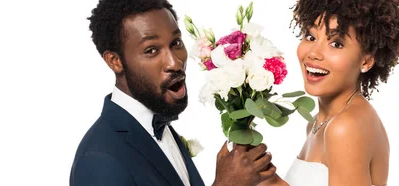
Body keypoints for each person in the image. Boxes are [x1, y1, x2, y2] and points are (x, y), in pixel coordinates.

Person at [69, 0, 276, 185]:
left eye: (176, 43)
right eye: (151, 50)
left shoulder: (159, 125)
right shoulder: (99, 160)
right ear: (115, 61)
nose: (175, 63)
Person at [260, 0, 399, 185]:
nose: (314, 53)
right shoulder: (318, 122)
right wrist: (265, 177)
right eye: (311, 36)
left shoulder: (345, 127)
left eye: (336, 44)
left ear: (366, 61)